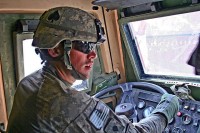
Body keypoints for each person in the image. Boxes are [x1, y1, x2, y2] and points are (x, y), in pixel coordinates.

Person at [7, 6, 179, 133]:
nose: (93, 55)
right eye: (85, 45)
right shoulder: (68, 103)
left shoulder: (29, 83)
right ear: (54, 49)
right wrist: (166, 110)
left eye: (95, 46)